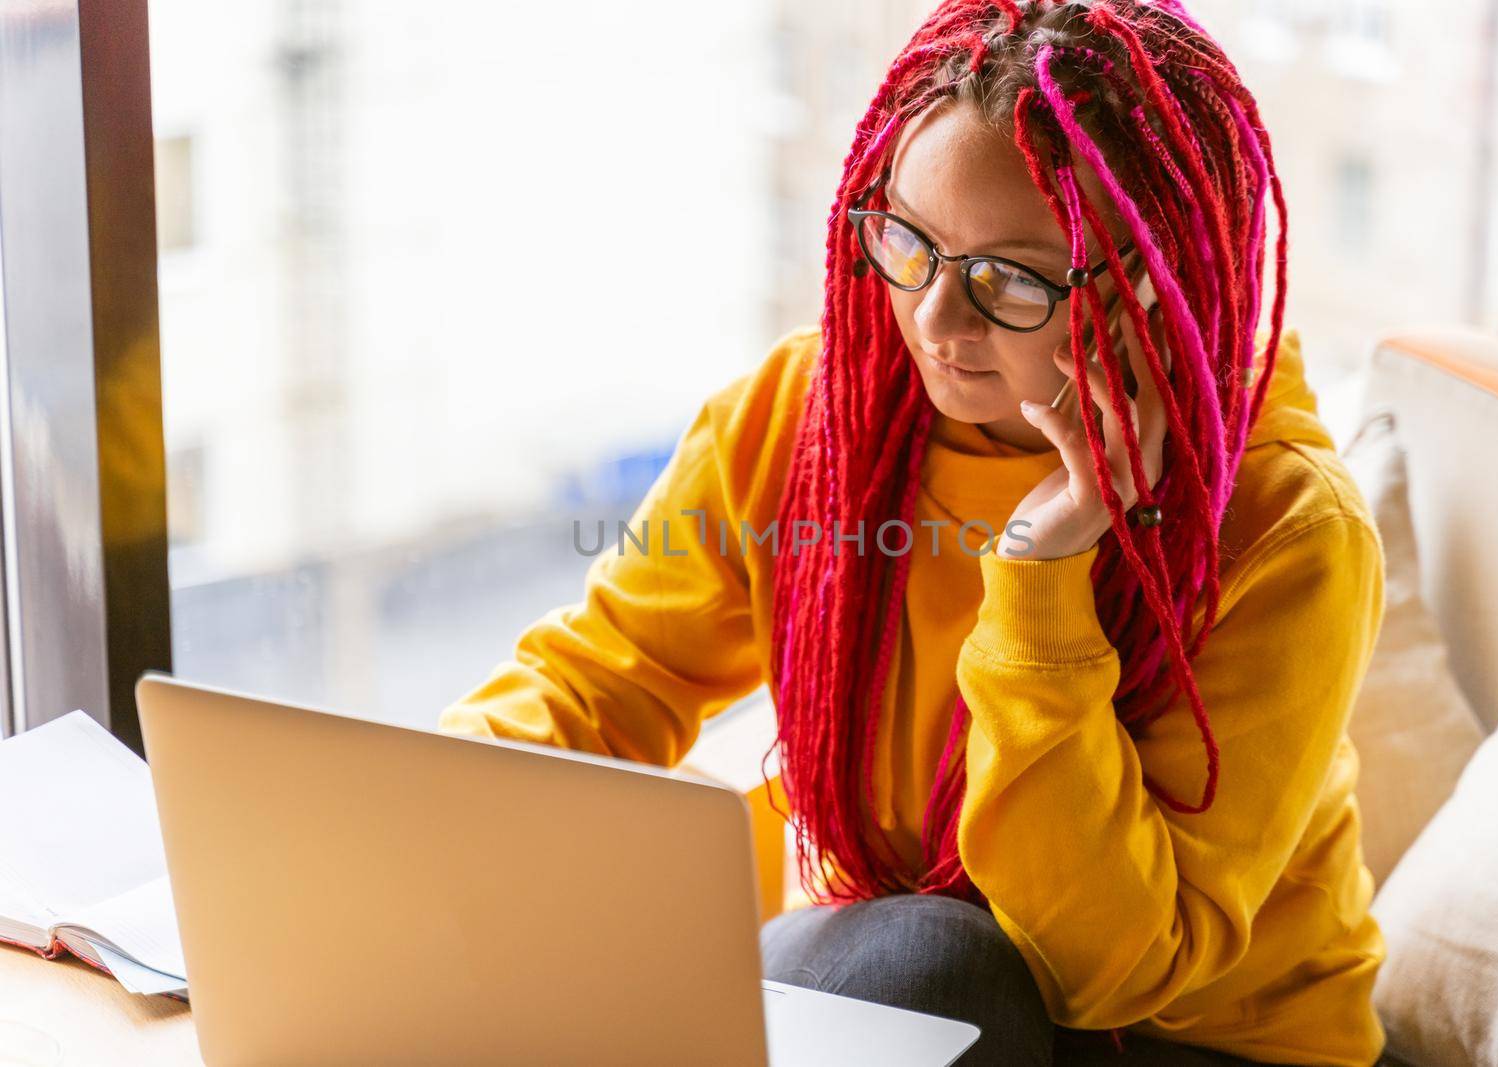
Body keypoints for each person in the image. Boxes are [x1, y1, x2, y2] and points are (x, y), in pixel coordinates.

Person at [440, 1, 1389, 1064]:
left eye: (1011, 278)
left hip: (1196, 1041)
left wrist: (1042, 579)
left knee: (924, 956)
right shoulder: (807, 416)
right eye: (909, 238)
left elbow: (1110, 964)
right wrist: (402, 807)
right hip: (913, 994)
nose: (936, 318)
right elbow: (606, 683)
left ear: (1152, 292)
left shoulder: (1286, 527)